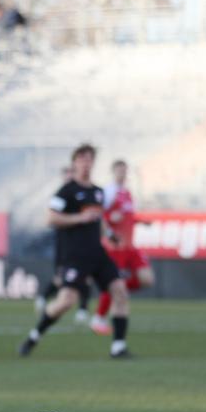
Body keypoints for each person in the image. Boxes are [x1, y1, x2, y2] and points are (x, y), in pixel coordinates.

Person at [19, 144, 132, 359]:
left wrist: (109, 234)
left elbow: (98, 219)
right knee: (66, 301)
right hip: (76, 255)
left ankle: (118, 347)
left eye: (90, 159)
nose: (86, 163)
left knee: (120, 291)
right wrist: (79, 217)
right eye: (82, 159)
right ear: (75, 163)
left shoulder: (98, 192)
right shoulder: (66, 191)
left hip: (97, 253)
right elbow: (50, 218)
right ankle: (34, 335)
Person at [90, 159, 155, 335]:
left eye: (125, 170)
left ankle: (118, 292)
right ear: (113, 172)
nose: (123, 173)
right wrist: (110, 220)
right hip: (114, 246)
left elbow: (127, 216)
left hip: (129, 245)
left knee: (146, 279)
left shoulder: (127, 192)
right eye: (119, 170)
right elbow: (99, 216)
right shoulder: (108, 192)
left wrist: (141, 221)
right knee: (114, 282)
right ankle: (98, 317)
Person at [35, 165, 91, 322]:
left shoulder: (83, 193)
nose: (69, 177)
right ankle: (44, 298)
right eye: (67, 174)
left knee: (85, 277)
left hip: (83, 244)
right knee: (60, 278)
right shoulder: (61, 195)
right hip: (66, 245)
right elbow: (51, 218)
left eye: (72, 173)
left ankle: (82, 309)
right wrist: (77, 219)